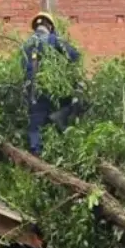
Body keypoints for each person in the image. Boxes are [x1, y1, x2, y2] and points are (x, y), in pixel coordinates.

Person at [22, 11, 81, 155]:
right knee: (77, 101)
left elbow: (24, 67)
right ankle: (59, 121)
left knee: (35, 125)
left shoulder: (26, 45)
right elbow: (74, 56)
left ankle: (36, 153)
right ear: (50, 26)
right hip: (52, 89)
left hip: (33, 91)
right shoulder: (53, 39)